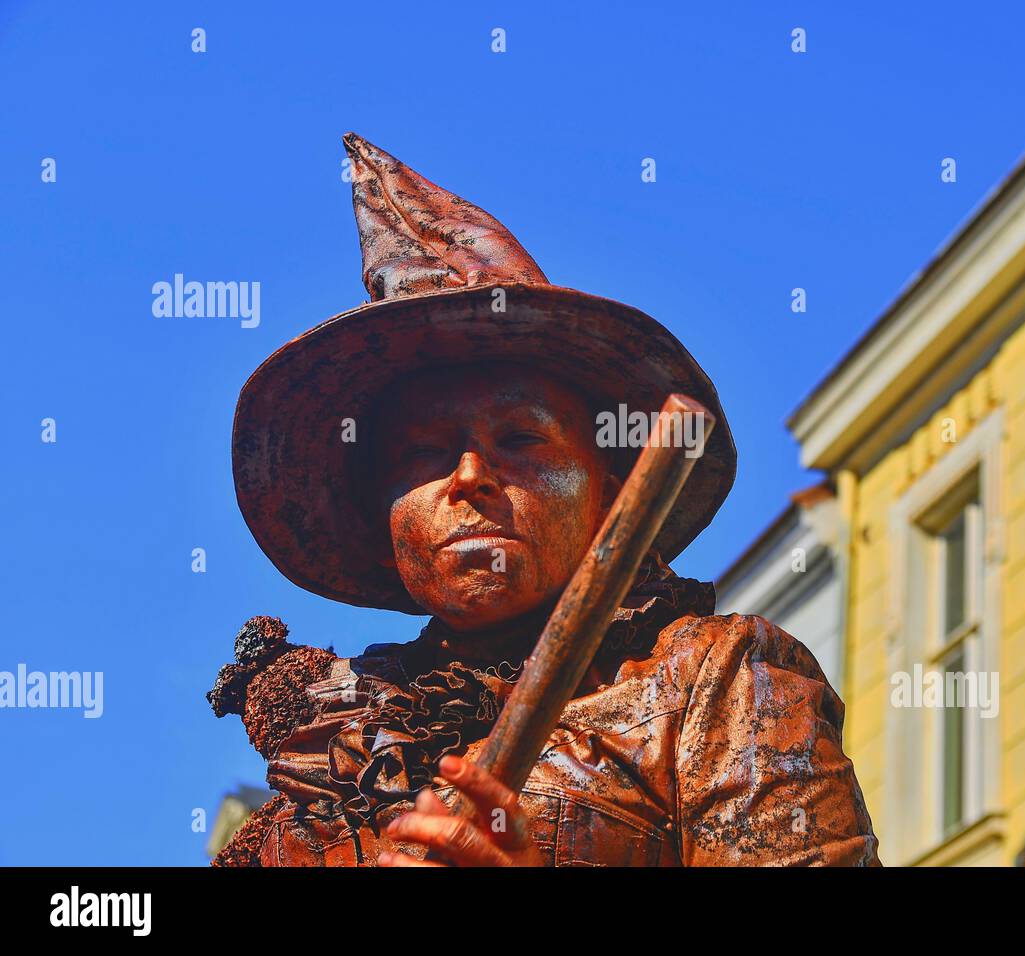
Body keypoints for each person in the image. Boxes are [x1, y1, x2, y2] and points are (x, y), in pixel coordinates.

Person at [209, 133, 882, 867]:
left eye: (523, 439)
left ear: (610, 496)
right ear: (382, 523)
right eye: (424, 454)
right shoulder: (323, 760)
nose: (469, 475)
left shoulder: (715, 679)